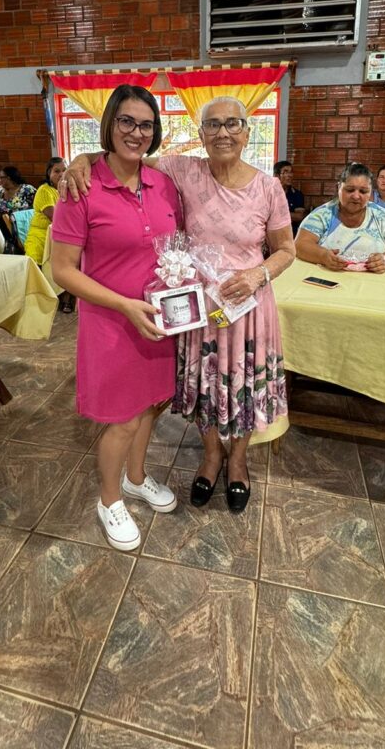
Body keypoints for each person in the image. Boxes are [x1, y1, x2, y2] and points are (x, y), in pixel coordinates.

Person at [64, 96, 295, 516]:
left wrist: (258, 274)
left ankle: (238, 461)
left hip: (249, 310)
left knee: (243, 387)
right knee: (207, 388)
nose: (222, 132)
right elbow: (125, 152)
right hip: (197, 310)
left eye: (232, 124)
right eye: (212, 125)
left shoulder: (268, 187)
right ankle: (210, 457)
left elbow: (286, 250)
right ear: (201, 135)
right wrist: (80, 158)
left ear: (247, 131)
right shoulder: (182, 170)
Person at [52, 86, 181, 552]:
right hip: (111, 322)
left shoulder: (163, 182)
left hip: (157, 318)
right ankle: (109, 500)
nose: (136, 133)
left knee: (151, 405)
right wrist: (124, 304)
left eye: (145, 124)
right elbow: (62, 269)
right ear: (109, 124)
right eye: (126, 121)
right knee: (122, 419)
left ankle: (135, 477)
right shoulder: (81, 187)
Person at [295, 162, 385, 272]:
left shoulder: (383, 217)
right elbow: (300, 244)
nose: (356, 196)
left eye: (363, 191)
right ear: (338, 188)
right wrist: (323, 256)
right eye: (350, 190)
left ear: (370, 192)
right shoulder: (322, 215)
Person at [25, 157, 74, 313]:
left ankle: (67, 298)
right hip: (41, 236)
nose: (61, 174)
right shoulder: (44, 191)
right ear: (49, 173)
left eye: (64, 170)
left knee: (71, 259)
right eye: (56, 171)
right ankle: (43, 300)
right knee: (42, 263)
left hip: (61, 235)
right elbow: (55, 217)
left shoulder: (70, 188)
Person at [273, 160, 306, 233]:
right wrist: (290, 215)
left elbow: (299, 217)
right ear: (276, 175)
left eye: (291, 172)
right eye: (285, 172)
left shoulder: (297, 194)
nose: (290, 175)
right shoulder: (269, 193)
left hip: (290, 234)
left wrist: (275, 213)